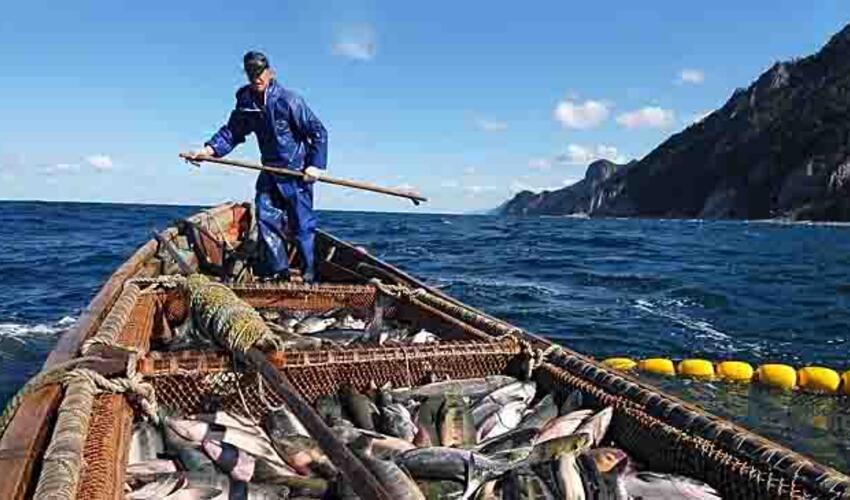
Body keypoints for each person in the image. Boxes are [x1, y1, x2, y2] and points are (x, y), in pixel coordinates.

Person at [184, 51, 328, 282]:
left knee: (302, 227)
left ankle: (310, 276)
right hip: (269, 172)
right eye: (251, 74)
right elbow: (232, 131)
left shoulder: (290, 100)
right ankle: (280, 274)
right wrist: (208, 151)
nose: (256, 78)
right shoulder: (246, 101)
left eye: (260, 73)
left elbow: (318, 132)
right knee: (266, 221)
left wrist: (315, 166)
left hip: (297, 174)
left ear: (270, 72)